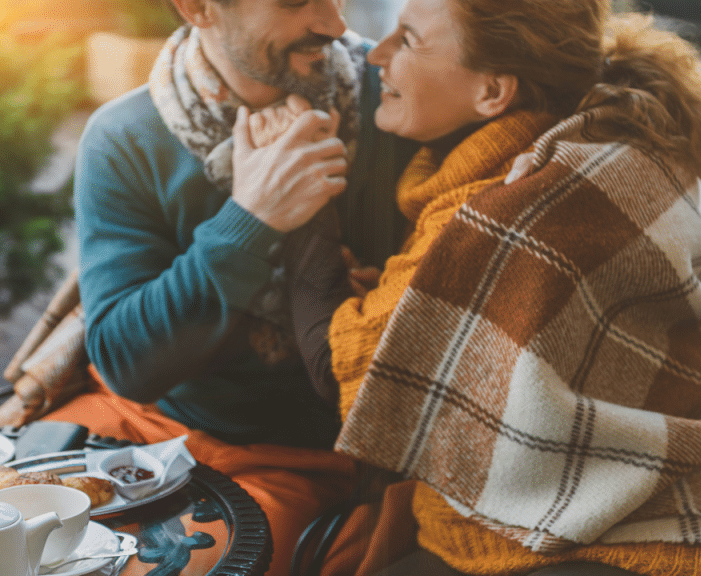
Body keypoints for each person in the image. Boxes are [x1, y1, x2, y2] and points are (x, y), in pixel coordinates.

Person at [255, 0, 701, 574]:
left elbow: (348, 376)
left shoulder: (506, 211)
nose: (375, 54)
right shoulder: (603, 133)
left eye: (407, 40)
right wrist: (405, 296)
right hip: (668, 446)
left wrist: (302, 208)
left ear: (493, 92)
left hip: (569, 532)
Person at [26, 1, 418, 575]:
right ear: (199, 8)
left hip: (304, 457)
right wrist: (253, 219)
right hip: (144, 426)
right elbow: (126, 363)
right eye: (296, 2)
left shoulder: (398, 97)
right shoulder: (123, 137)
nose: (335, 25)